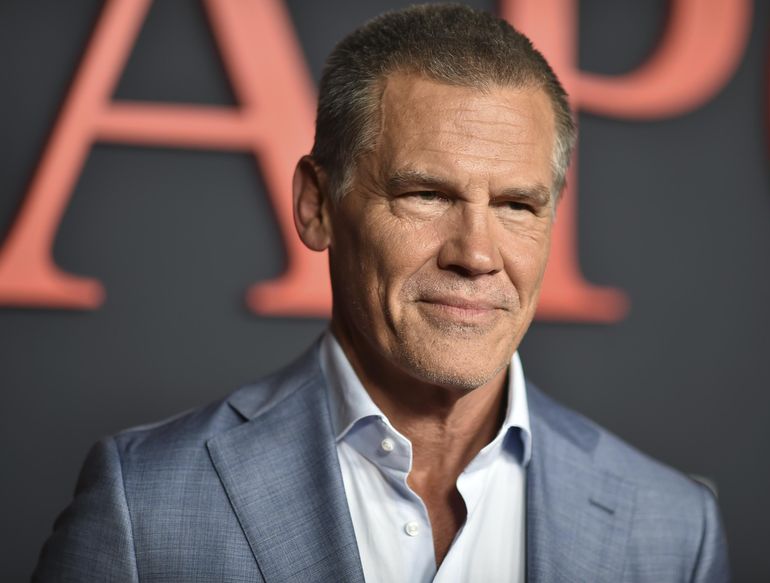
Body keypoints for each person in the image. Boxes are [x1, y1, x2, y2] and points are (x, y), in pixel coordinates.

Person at [33, 4, 729, 582]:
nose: (476, 255)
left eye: (517, 205)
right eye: (425, 194)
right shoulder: (146, 504)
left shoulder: (670, 528)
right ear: (317, 206)